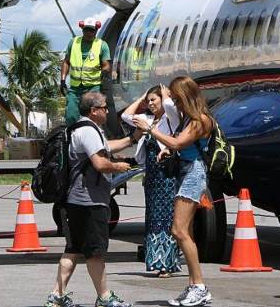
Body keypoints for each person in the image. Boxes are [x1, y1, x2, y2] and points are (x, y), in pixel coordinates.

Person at [45, 91, 134, 307]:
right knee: (95, 252)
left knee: (73, 249)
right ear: (93, 111)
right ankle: (104, 297)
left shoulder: (84, 128)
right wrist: (117, 166)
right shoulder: (88, 131)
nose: (107, 110)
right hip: (89, 201)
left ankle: (56, 295)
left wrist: (133, 138)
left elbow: (108, 146)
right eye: (104, 107)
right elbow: (100, 163)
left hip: (76, 200)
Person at [133, 76, 213, 307]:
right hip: (184, 171)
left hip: (193, 173)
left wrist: (150, 129)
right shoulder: (188, 119)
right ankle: (193, 286)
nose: (175, 104)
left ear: (187, 97)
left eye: (178, 99)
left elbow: (180, 143)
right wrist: (167, 150)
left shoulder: (201, 120)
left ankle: (199, 286)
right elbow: (176, 144)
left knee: (178, 230)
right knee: (184, 231)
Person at [121, 85, 181, 278]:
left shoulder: (170, 118)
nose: (151, 103)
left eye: (154, 100)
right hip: (152, 177)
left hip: (167, 175)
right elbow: (126, 116)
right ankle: (157, 260)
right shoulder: (147, 120)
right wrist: (140, 98)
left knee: (166, 218)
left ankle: (167, 264)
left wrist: (165, 96)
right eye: (149, 101)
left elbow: (171, 107)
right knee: (153, 217)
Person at [60, 17, 111, 126]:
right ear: (82, 29)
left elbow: (106, 65)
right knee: (71, 116)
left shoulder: (102, 45)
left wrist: (104, 71)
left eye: (92, 30)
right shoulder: (73, 42)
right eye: (86, 29)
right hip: (75, 88)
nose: (89, 32)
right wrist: (63, 80)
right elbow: (66, 62)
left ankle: (93, 136)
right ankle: (71, 137)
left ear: (96, 31)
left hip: (93, 87)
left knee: (93, 116)